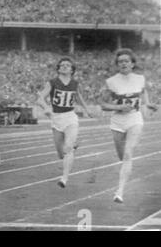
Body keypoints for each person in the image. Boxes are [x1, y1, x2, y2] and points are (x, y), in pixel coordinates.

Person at [99, 49, 157, 203]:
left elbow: (143, 92)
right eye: (120, 61)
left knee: (128, 154)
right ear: (117, 65)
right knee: (121, 156)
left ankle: (120, 191)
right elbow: (103, 104)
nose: (123, 63)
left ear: (132, 63)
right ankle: (122, 181)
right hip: (117, 122)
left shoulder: (140, 79)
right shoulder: (111, 82)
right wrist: (119, 108)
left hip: (135, 119)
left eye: (126, 61)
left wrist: (148, 103)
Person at [37, 57, 92, 188]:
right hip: (56, 118)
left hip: (70, 117)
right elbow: (40, 99)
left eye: (68, 65)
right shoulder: (52, 83)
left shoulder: (75, 83)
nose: (65, 66)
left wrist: (87, 109)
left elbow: (78, 97)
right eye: (62, 65)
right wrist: (46, 108)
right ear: (58, 68)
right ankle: (71, 148)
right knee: (61, 154)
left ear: (72, 70)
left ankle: (64, 178)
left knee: (67, 149)